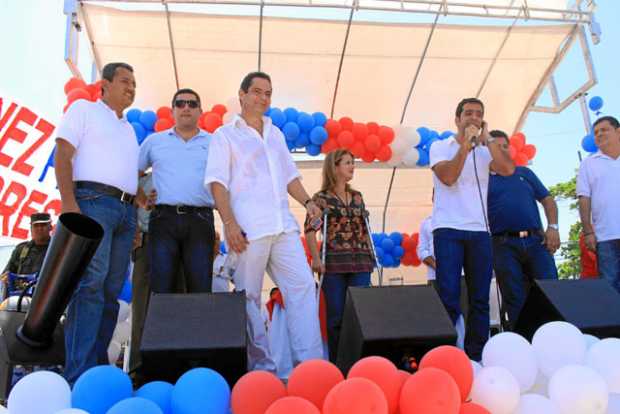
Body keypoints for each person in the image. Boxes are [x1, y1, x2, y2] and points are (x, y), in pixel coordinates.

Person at [204, 71, 324, 373]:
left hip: (283, 225)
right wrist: (229, 223)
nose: (263, 98)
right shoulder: (225, 135)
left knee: (302, 287)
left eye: (268, 93)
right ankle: (263, 371)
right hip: (247, 228)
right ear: (242, 95)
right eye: (257, 91)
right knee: (249, 298)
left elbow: (290, 177)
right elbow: (217, 183)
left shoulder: (275, 133)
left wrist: (308, 203)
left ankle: (309, 367)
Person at [55, 62, 141, 383]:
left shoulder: (129, 128)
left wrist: (135, 216)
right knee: (90, 285)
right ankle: (77, 375)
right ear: (103, 85)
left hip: (124, 213)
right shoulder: (83, 110)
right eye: (125, 81)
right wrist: (68, 204)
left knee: (111, 290)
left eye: (134, 83)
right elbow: (63, 154)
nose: (131, 87)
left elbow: (125, 173)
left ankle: (97, 371)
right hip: (91, 203)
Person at [429, 97, 514, 361]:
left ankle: (476, 355)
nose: (473, 118)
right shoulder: (440, 146)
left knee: (479, 299)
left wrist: (487, 138)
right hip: (448, 230)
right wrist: (465, 147)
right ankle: (447, 354)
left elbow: (508, 169)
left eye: (479, 114)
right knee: (449, 296)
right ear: (457, 119)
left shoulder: (487, 150)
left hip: (479, 231)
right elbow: (449, 177)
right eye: (468, 113)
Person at [139, 88, 215, 294]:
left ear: (200, 111)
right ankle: (162, 328)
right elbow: (132, 173)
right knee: (161, 289)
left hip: (201, 219)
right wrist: (143, 200)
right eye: (180, 104)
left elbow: (229, 181)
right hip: (163, 219)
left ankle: (198, 327)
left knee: (200, 288)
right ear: (172, 111)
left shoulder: (215, 142)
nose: (186, 108)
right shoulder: (155, 141)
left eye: (192, 104)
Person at [304, 149, 374, 362]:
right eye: (347, 163)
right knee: (336, 318)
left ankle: (361, 360)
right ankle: (338, 362)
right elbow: (309, 229)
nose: (352, 166)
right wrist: (316, 259)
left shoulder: (357, 197)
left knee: (361, 314)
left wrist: (371, 255)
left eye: (353, 162)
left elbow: (365, 228)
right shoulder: (321, 199)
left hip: (361, 262)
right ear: (334, 167)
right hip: (333, 264)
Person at [487, 129, 559, 330]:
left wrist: (553, 227)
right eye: (496, 147)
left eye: (504, 146)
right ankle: (523, 342)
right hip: (502, 245)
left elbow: (547, 199)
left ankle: (557, 335)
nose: (501, 150)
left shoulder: (524, 173)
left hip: (537, 241)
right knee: (514, 296)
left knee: (551, 290)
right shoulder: (482, 179)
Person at [577, 115, 620, 293]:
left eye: (604, 130)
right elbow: (584, 198)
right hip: (605, 237)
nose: (599, 134)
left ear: (618, 132)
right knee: (610, 289)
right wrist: (588, 231)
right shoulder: (588, 164)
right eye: (596, 132)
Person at [1, 213, 52, 299]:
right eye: (36, 226)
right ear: (31, 228)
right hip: (21, 299)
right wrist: (6, 278)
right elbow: (6, 275)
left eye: (43, 225)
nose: (39, 229)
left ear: (50, 227)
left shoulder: (57, 250)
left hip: (47, 298)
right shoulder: (21, 250)